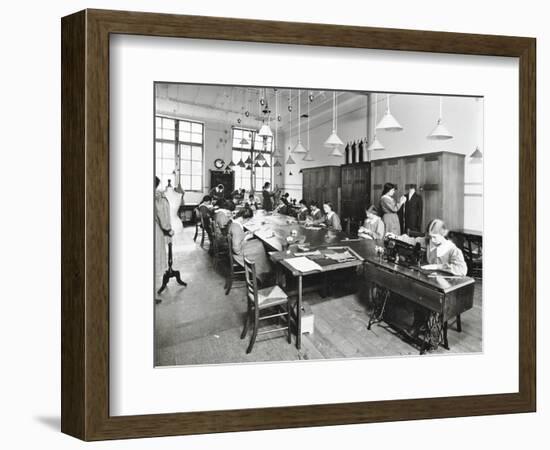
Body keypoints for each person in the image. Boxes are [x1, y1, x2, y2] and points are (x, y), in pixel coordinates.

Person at [395, 219, 468, 276]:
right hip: (430, 279)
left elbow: (462, 270)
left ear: (443, 234)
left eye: (435, 237)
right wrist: (396, 237)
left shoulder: (452, 249)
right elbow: (412, 241)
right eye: (430, 236)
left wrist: (437, 267)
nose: (432, 240)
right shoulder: (429, 241)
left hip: (445, 284)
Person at [228, 207, 272, 283]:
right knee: (260, 247)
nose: (247, 222)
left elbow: (238, 237)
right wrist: (246, 238)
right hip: (239, 253)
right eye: (248, 220)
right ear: (243, 218)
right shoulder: (236, 228)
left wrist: (244, 234)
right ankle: (263, 273)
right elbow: (236, 250)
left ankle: (266, 270)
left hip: (240, 247)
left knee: (258, 242)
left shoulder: (234, 223)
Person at [154, 176, 174, 288]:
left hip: (161, 226)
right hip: (158, 228)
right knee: (156, 256)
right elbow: (162, 215)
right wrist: (167, 229)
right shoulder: (158, 197)